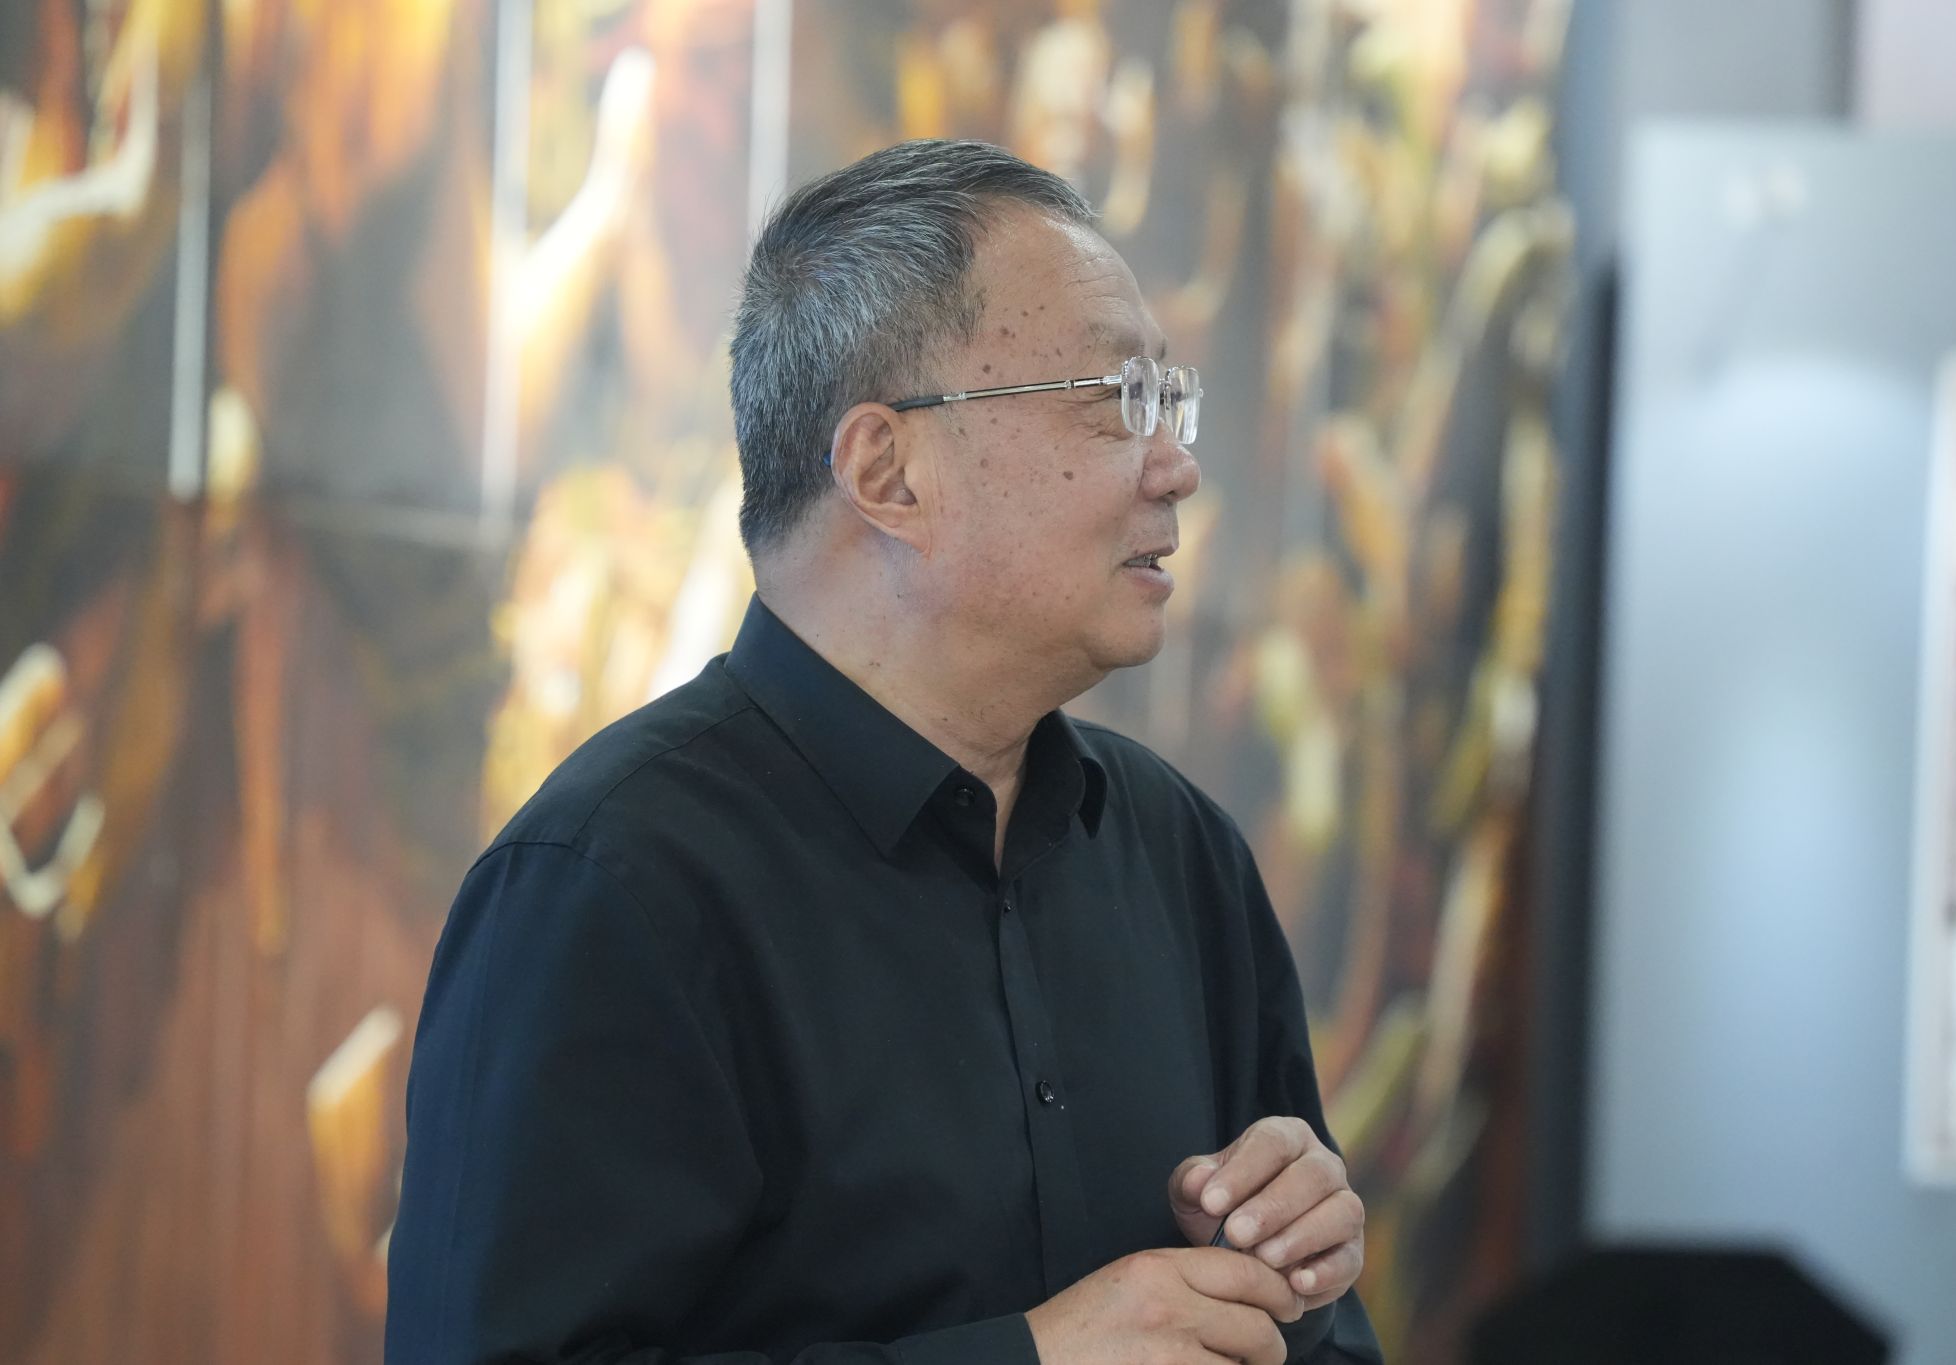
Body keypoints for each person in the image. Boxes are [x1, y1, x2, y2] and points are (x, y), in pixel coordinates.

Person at [386, 138, 1383, 1365]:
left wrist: (1295, 1286)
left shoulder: (1179, 856)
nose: (1176, 467)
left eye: (1168, 403)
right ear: (885, 470)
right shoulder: (609, 884)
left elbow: (1320, 1346)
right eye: (1114, 400)